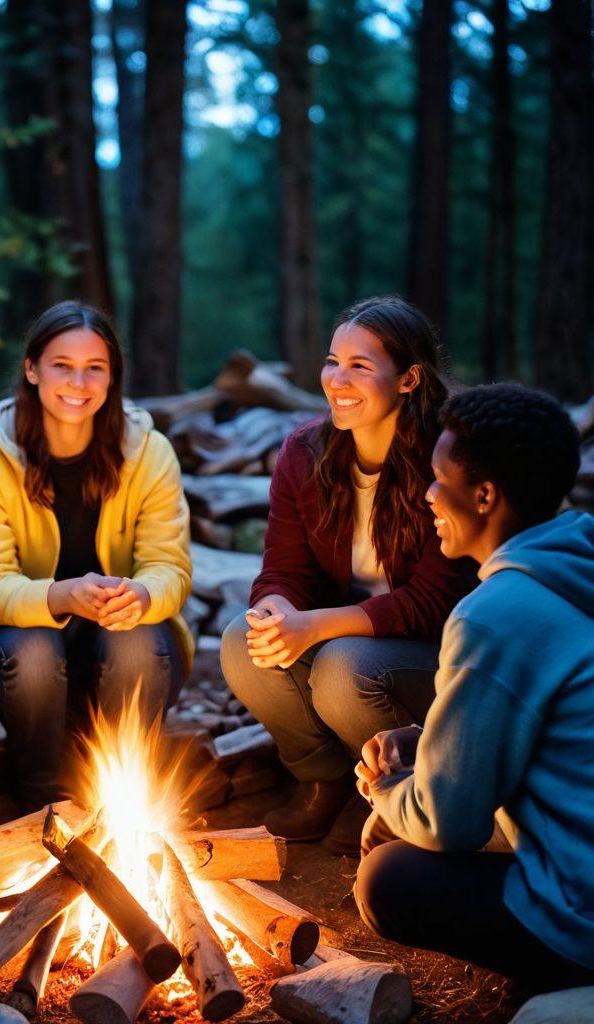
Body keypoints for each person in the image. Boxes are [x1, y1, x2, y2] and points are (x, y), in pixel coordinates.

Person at [355, 383, 594, 991]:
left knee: (388, 877)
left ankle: (557, 970)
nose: (426, 493)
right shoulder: (577, 566)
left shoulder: (495, 612)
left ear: (484, 495)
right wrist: (430, 737)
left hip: (585, 908)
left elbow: (446, 824)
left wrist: (386, 790)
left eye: (439, 478)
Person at [220, 295, 474, 853]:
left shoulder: (445, 458)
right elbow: (281, 570)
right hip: (348, 636)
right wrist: (278, 609)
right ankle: (324, 781)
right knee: (243, 638)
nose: (337, 378)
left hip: (434, 654)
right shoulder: (305, 454)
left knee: (341, 666)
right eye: (333, 361)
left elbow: (432, 601)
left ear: (408, 379)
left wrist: (317, 627)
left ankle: (398, 792)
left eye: (360, 366)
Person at [0, 300, 193, 809]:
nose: (78, 383)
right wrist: (63, 595)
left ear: (112, 379)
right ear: (32, 369)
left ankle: (125, 802)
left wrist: (142, 595)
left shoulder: (149, 453)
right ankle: (39, 800)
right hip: (17, 665)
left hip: (128, 653)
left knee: (132, 641)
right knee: (35, 649)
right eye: (62, 365)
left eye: (95, 369)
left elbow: (169, 567)